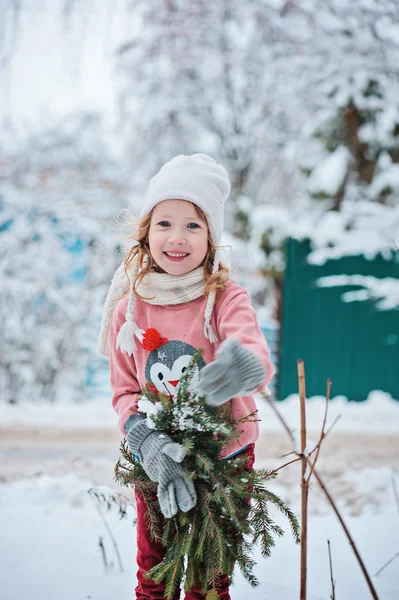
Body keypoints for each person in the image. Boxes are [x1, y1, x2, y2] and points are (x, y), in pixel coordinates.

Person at [98, 154, 275, 600]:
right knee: (154, 576)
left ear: (211, 237)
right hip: (155, 455)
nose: (177, 238)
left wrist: (239, 366)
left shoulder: (224, 297)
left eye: (193, 226)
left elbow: (253, 352)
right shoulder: (130, 310)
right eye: (164, 224)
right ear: (146, 232)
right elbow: (124, 392)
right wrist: (145, 441)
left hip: (225, 455)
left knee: (207, 581)